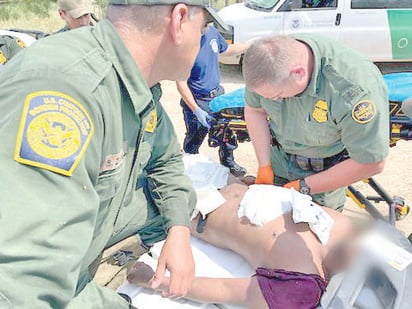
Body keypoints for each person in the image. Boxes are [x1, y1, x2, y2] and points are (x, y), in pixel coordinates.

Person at [0, 0, 225, 307]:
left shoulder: (135, 81)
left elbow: (166, 159)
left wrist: (179, 230)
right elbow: (22, 285)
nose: (203, 41)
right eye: (204, 28)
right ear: (180, 19)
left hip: (90, 240)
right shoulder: (68, 90)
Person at [128, 182, 355, 308]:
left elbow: (225, 290)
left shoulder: (302, 289)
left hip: (190, 209)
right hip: (224, 188)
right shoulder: (350, 232)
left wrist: (155, 280)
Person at [242, 34, 389, 211]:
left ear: (299, 73)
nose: (273, 99)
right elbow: (255, 110)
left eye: (277, 95)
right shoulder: (267, 64)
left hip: (323, 172)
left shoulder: (353, 90)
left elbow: (371, 162)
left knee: (315, 231)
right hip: (278, 157)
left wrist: (302, 187)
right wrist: (264, 164)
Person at [177, 25, 250, 177]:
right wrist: (196, 110)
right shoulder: (185, 45)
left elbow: (227, 50)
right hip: (198, 99)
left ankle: (228, 162)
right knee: (195, 137)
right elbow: (181, 82)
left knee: (226, 132)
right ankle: (189, 164)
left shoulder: (212, 32)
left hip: (218, 95)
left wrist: (248, 45)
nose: (204, 27)